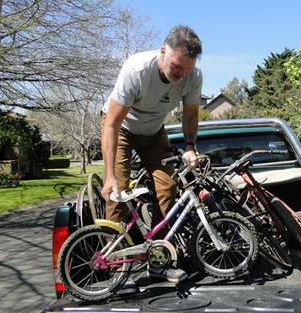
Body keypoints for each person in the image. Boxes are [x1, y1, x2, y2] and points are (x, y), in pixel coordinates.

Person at [100, 25, 203, 283]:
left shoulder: (193, 75)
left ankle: (160, 261)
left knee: (167, 188)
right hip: (122, 128)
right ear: (162, 52)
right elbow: (111, 124)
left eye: (187, 69)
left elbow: (190, 114)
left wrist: (190, 146)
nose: (181, 74)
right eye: (177, 66)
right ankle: (114, 265)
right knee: (118, 192)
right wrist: (110, 176)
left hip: (155, 132)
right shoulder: (136, 70)